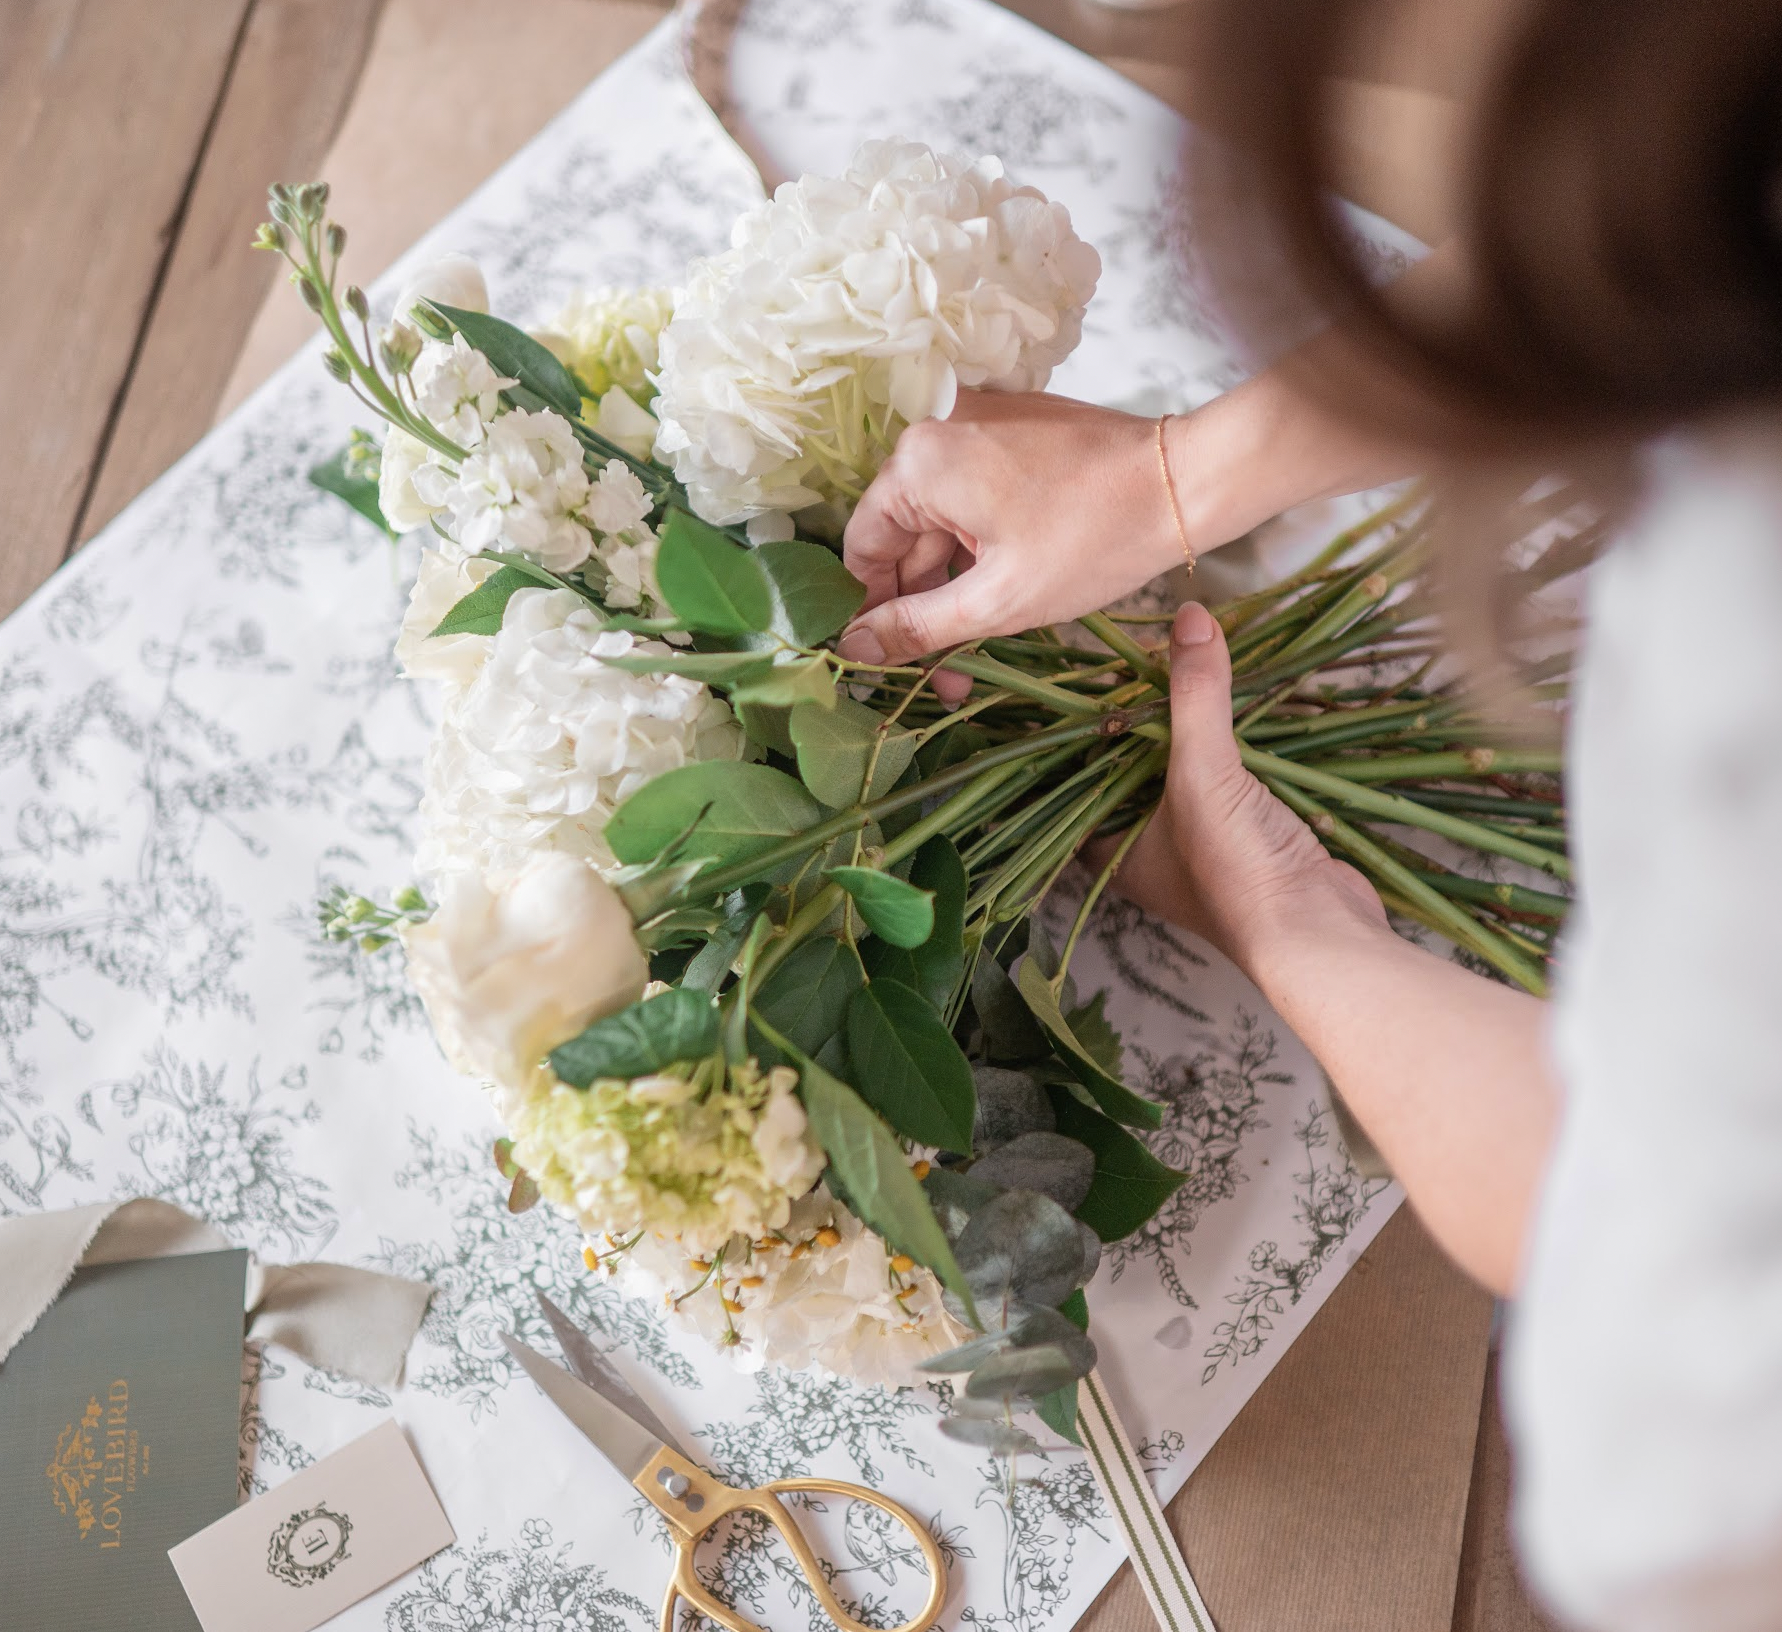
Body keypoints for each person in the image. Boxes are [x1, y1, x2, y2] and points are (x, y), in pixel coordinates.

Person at [836, 3, 1782, 1628]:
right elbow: (1656, 217)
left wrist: (1300, 932)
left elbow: (1644, 1241)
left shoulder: (1736, 639)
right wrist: (1169, 482)